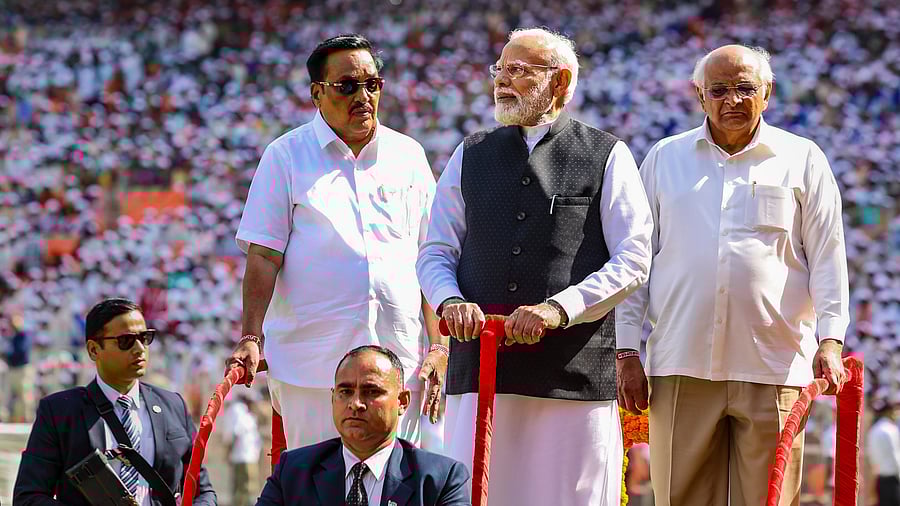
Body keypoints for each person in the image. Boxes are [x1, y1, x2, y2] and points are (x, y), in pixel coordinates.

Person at [416, 27, 653, 505]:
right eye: (500, 69)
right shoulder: (471, 152)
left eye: (520, 71)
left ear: (560, 82)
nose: (503, 81)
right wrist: (450, 300)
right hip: (480, 372)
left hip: (572, 375)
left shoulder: (606, 154)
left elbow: (633, 258)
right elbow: (435, 250)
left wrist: (558, 309)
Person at [615, 44, 849, 506]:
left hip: (775, 364)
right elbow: (635, 261)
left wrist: (831, 340)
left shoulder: (802, 158)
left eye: (745, 89)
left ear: (769, 93)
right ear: (699, 95)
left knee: (768, 499)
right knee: (677, 497)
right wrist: (626, 350)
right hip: (681, 362)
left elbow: (828, 255)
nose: (732, 101)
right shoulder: (666, 158)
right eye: (719, 90)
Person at [229, 33, 447, 452]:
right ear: (317, 93)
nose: (363, 95)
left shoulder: (409, 155)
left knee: (400, 488)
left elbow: (431, 258)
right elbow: (264, 255)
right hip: (314, 367)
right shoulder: (285, 155)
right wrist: (251, 337)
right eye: (347, 86)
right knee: (318, 486)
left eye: (372, 84)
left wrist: (439, 345)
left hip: (400, 360)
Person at [13, 298, 216, 506]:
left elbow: (203, 491)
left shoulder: (173, 405)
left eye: (144, 338)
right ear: (93, 350)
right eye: (126, 340)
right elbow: (28, 497)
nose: (139, 349)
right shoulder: (59, 411)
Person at [256, 345, 471, 506]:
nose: (355, 404)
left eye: (372, 392)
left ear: (403, 401)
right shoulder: (293, 471)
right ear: (333, 398)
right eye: (345, 392)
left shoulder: (440, 479)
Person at [221, 389, 263, 506]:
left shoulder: (245, 412)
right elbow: (234, 433)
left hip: (247, 455)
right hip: (243, 456)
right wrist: (229, 451)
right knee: (245, 488)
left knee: (245, 488)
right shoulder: (238, 410)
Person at [867, 398, 900, 506]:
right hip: (893, 480)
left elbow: (873, 460)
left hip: (880, 480)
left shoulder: (873, 430)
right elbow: (896, 457)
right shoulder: (891, 429)